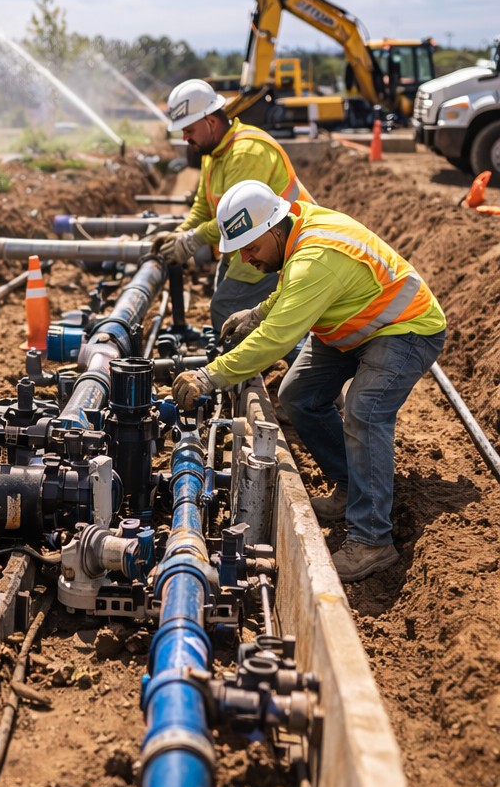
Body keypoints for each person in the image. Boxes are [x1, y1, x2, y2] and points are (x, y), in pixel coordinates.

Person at [172, 180, 446, 582]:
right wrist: (259, 311)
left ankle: (373, 540)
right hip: (354, 326)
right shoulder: (296, 228)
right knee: (298, 394)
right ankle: (352, 487)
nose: (246, 259)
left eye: (251, 247)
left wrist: (208, 375)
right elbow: (290, 289)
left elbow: (277, 339)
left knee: (364, 411)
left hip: (405, 328)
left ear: (274, 229)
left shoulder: (317, 256)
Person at [150, 78, 316, 331]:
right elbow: (202, 209)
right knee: (229, 306)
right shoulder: (214, 154)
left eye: (189, 130)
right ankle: (257, 363)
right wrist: (179, 235)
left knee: (227, 308)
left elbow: (241, 220)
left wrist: (193, 239)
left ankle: (263, 365)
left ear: (210, 121)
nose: (184, 138)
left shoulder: (246, 152)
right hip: (256, 244)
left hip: (285, 247)